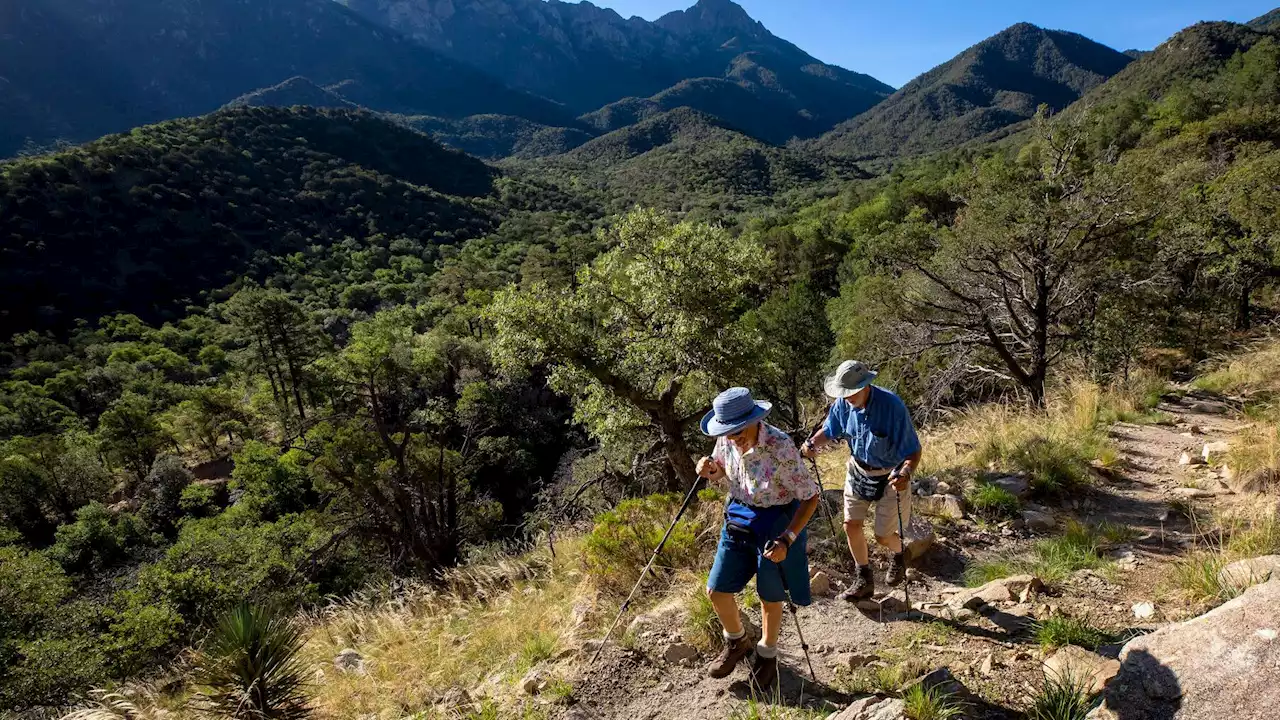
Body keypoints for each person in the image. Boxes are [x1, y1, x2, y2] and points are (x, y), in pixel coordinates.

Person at [696, 387, 820, 688]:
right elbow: (722, 468)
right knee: (717, 590)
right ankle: (737, 642)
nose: (732, 438)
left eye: (738, 431)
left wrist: (788, 539)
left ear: (754, 420)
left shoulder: (780, 447)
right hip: (738, 517)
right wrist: (710, 470)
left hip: (776, 520)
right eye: (727, 432)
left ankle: (766, 654)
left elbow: (810, 497)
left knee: (770, 594)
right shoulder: (726, 439)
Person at [802, 360, 922, 601]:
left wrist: (906, 473)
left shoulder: (892, 406)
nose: (847, 398)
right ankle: (863, 579)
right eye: (843, 393)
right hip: (858, 470)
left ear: (867, 385)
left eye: (851, 392)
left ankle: (900, 553)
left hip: (891, 475)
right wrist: (812, 443)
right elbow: (830, 430)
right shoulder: (842, 405)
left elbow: (913, 450)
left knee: (882, 535)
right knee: (851, 524)